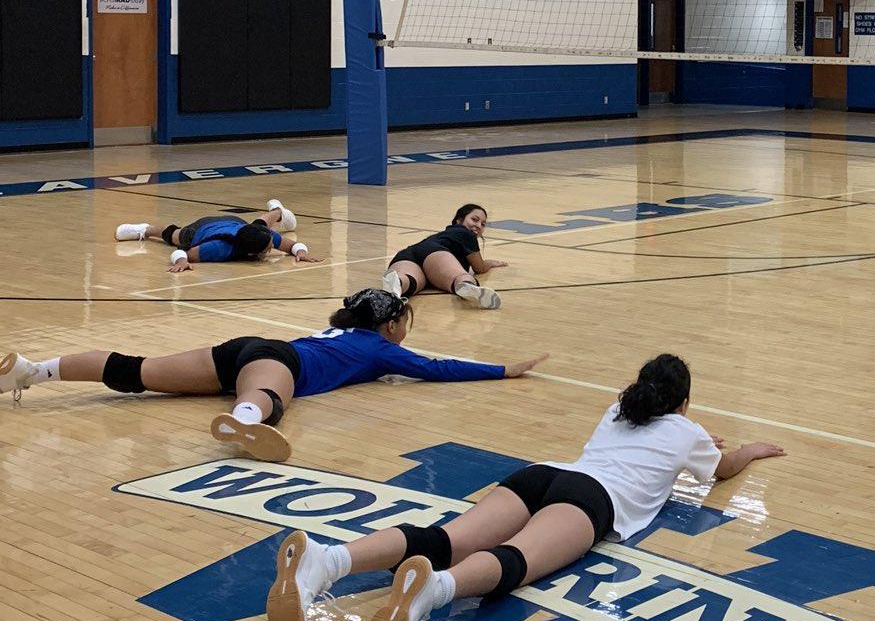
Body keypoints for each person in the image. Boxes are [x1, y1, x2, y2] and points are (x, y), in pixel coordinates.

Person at [263, 350, 786, 621]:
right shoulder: (688, 431)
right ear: (684, 403)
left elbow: (658, 436)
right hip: (592, 500)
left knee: (445, 539)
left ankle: (328, 560)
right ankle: (433, 590)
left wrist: (694, 436)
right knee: (517, 560)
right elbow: (721, 469)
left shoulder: (618, 410)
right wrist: (747, 451)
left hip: (542, 475)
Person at [0, 287, 545, 461]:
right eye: (406, 318)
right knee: (270, 397)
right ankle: (242, 421)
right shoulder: (381, 350)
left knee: (135, 371)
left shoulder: (339, 332)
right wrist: (502, 369)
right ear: (391, 324)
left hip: (244, 348)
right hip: (278, 360)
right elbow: (436, 368)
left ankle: (33, 370)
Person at [116, 198, 312, 269]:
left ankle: (277, 211)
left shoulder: (261, 235)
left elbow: (294, 246)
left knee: (262, 222)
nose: (273, 249)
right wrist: (181, 262)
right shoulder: (218, 248)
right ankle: (145, 230)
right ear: (252, 253)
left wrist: (300, 252)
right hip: (203, 229)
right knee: (175, 236)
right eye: (269, 248)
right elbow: (183, 252)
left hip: (236, 223)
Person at [382, 202, 506, 311]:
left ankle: (397, 282)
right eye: (474, 219)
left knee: (410, 281)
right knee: (460, 277)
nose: (478, 225)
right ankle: (468, 286)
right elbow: (479, 267)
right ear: (459, 220)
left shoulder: (445, 234)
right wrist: (490, 263)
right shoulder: (466, 234)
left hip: (407, 255)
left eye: (483, 224)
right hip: (435, 254)